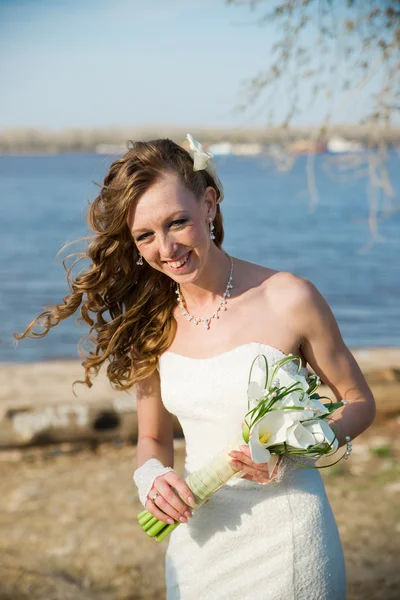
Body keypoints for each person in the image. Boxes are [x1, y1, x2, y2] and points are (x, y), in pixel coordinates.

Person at [17, 135, 376, 599]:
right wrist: (152, 480)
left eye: (177, 222)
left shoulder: (290, 298)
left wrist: (297, 451)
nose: (165, 248)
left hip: (289, 538)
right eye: (145, 235)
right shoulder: (150, 324)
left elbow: (359, 401)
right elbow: (153, 438)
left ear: (209, 204)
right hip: (198, 545)